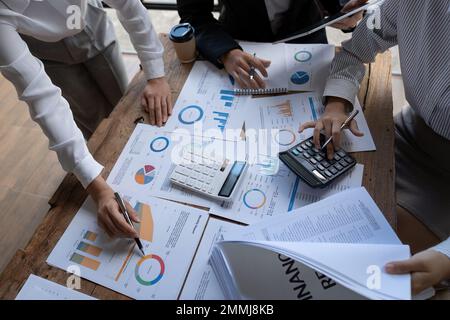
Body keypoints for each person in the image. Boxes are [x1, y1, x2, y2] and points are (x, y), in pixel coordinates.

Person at [299, 0, 450, 294]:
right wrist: (336, 104)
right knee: (320, 207)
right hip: (410, 133)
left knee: (372, 260)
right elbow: (356, 48)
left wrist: (446, 257)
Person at [0, 0, 172, 239]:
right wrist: (96, 186)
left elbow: (129, 5)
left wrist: (155, 76)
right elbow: (42, 99)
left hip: (88, 19)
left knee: (124, 108)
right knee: (95, 126)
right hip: (44, 49)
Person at [177, 0, 367, 89]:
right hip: (239, 47)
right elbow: (194, 15)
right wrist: (226, 52)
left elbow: (342, 3)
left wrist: (348, 11)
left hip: (307, 45)